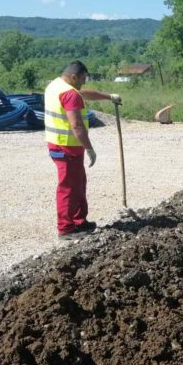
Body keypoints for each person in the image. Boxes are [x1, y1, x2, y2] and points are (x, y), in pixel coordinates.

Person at [45, 61, 121, 240]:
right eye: (83, 78)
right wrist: (90, 149)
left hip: (58, 144)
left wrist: (108, 96)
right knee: (68, 187)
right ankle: (65, 229)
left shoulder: (56, 85)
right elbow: (77, 125)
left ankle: (80, 221)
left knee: (78, 183)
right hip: (67, 146)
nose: (84, 82)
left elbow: (83, 93)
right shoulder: (70, 94)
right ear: (73, 77)